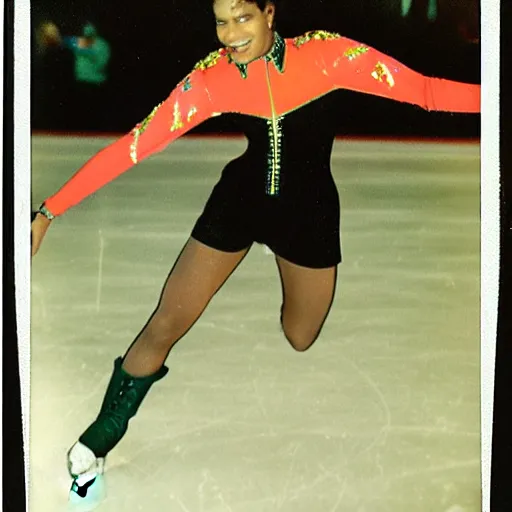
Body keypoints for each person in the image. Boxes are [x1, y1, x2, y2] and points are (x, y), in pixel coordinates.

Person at [31, 0, 480, 506]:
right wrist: (50, 211)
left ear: (269, 13)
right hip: (239, 204)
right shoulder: (211, 79)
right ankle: (101, 435)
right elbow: (134, 145)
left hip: (307, 214)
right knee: (166, 321)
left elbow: (426, 91)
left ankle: (282, 260)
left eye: (242, 18)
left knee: (300, 334)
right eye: (221, 21)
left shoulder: (328, 55)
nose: (230, 34)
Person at [39, 21, 111, 130]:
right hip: (80, 83)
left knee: (95, 113)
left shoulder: (101, 45)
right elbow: (66, 41)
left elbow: (101, 63)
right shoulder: (77, 42)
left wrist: (85, 50)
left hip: (96, 84)